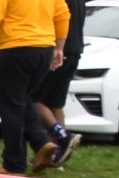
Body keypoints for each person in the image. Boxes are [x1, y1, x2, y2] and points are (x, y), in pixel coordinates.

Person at [0, 0, 69, 175]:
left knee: (10, 106)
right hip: (44, 50)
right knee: (23, 99)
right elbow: (63, 14)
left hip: (16, 50)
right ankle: (42, 143)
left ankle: (13, 164)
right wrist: (59, 48)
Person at [30, 0, 84, 168]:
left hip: (58, 50)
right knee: (55, 103)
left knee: (33, 98)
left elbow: (54, 18)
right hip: (75, 50)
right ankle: (58, 154)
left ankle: (63, 136)